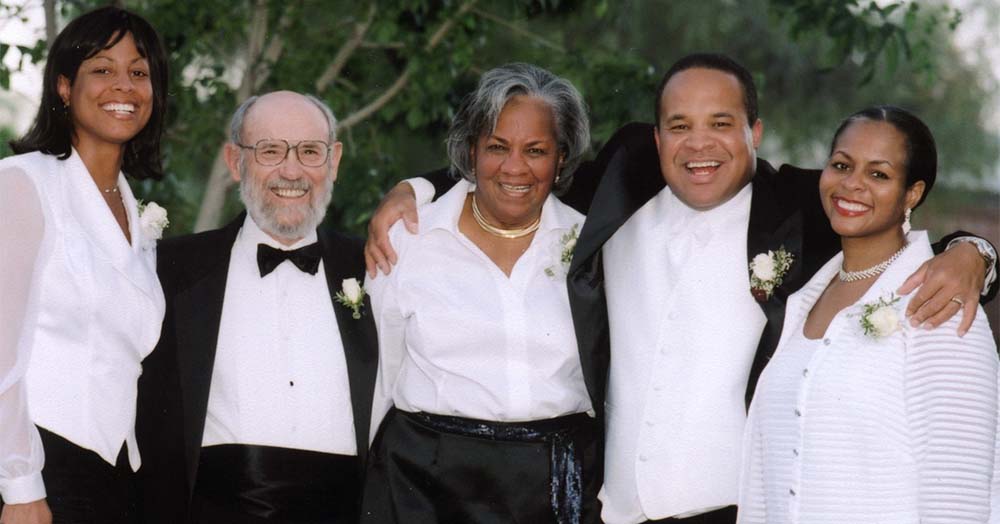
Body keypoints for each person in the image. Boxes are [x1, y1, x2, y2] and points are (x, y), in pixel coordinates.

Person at [365, 53, 998, 524]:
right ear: (657, 135)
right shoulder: (616, 192)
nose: (700, 144)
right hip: (612, 509)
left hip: (734, 507)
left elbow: (880, 205)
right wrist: (416, 188)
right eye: (679, 124)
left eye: (721, 123)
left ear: (754, 131)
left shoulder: (802, 209)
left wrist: (975, 251)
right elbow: (515, 174)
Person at [361, 63, 600, 524]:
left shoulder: (592, 246)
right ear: (471, 151)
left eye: (536, 150)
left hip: (554, 488)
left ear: (561, 157)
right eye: (497, 147)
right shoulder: (408, 241)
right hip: (423, 487)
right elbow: (378, 379)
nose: (515, 167)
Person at [737, 105, 998, 522]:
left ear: (912, 193)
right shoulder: (803, 298)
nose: (852, 184)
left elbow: (956, 494)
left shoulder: (939, 301)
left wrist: (976, 251)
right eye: (841, 165)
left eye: (878, 174)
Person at [135, 91, 377, 524]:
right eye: (269, 151)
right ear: (234, 162)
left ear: (334, 161)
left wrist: (413, 189)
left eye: (309, 151)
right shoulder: (170, 269)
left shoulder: (377, 270)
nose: (291, 170)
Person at [0, 6, 168, 524]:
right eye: (103, 69)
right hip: (40, 471)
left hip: (118, 477)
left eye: (139, 73)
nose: (124, 85)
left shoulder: (136, 214)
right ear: (65, 88)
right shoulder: (21, 183)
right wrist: (20, 485)